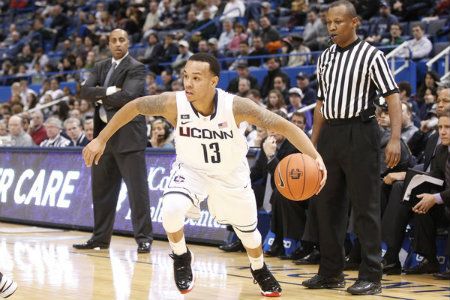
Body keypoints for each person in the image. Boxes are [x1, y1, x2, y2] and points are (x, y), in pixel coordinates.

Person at [82, 53, 327, 297]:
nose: (188, 83)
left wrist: (315, 157)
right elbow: (134, 106)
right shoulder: (173, 103)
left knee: (250, 235)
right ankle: (180, 256)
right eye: (185, 76)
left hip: (230, 175)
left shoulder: (236, 106)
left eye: (196, 78)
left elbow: (285, 126)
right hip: (191, 170)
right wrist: (101, 139)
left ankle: (259, 268)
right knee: (170, 209)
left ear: (213, 82)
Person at [302, 1, 402, 295]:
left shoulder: (372, 55)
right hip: (330, 135)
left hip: (361, 132)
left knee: (365, 207)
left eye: (338, 22)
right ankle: (331, 272)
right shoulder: (325, 57)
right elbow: (320, 104)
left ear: (354, 22)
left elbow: (393, 97)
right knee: (327, 206)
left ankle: (372, 274)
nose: (332, 27)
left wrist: (394, 138)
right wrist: (312, 143)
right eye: (328, 23)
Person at [72, 29, 153, 254]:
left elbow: (128, 96)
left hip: (129, 137)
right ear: (108, 44)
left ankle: (144, 238)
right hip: (102, 139)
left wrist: (98, 96)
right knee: (102, 191)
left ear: (128, 42)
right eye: (114, 40)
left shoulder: (136, 67)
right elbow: (84, 91)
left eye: (122, 39)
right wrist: (108, 91)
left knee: (138, 192)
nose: (118, 44)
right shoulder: (100, 66)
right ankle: (100, 238)